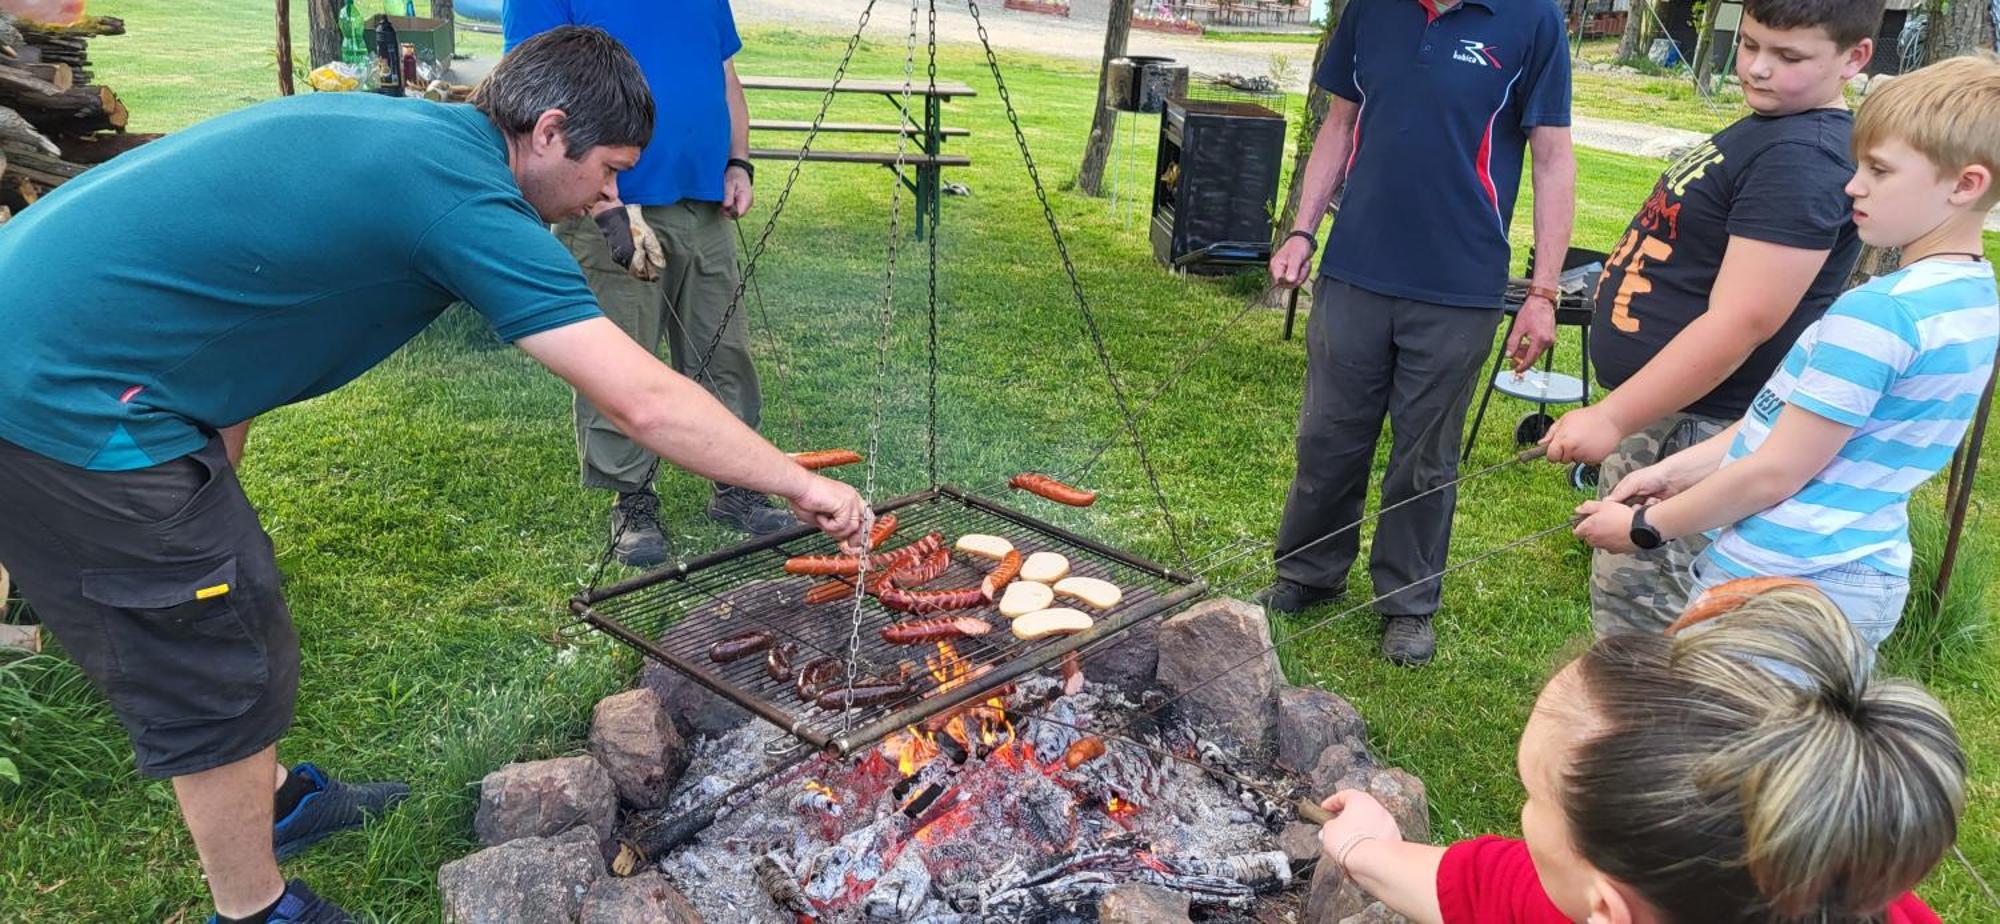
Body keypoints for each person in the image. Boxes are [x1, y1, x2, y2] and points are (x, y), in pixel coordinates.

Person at [0, 27, 868, 923]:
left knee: (235, 591)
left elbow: (235, 299)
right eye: (609, 168)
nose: (612, 196)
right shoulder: (462, 199)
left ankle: (280, 801)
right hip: (56, 394)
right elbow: (640, 401)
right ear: (548, 130)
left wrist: (211, 489)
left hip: (75, 350)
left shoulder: (420, 138)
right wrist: (799, 485)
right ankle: (257, 911)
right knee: (208, 652)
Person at [1574, 53, 2000, 652]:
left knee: (1727, 738)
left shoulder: (1880, 315)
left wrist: (1647, 528)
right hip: (1856, 567)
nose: (1853, 186)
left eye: (1879, 170)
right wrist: (1673, 471)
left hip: (1787, 582)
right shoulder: (1972, 297)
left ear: (1965, 184)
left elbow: (1777, 469)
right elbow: (1778, 424)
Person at [1315, 578, 1963, 923]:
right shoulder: (1849, 888)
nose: (1524, 814)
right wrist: (1368, 850)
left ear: (1607, 911)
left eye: (1533, 794)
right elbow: (1485, 889)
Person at [1542, 0, 1881, 635]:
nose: (1756, 68)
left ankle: (1651, 733)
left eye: (1788, 56)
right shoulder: (1775, 129)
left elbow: (1743, 320)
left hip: (1701, 425)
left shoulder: (1804, 157)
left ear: (1854, 58)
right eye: (1750, 44)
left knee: (1660, 630)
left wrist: (1613, 417)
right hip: (1670, 417)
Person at [1261, 0, 1578, 665]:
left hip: (1460, 283)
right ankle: (1309, 572)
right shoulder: (1371, 10)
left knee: (1425, 458)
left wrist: (1543, 292)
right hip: (1355, 268)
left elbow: (1552, 159)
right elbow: (1340, 125)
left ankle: (1407, 603)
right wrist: (1302, 229)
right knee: (1327, 435)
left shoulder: (1533, 20)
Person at [505, 0, 786, 567]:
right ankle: (631, 498)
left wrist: (738, 162)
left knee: (722, 349)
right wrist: (603, 206)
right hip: (609, 204)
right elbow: (533, 97)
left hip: (703, 202)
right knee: (618, 356)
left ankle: (737, 486)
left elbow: (724, 77)